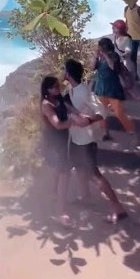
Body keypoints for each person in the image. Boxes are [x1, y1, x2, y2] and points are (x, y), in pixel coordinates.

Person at [64, 59, 127, 224]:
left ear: (69, 74)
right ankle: (85, 198)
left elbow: (103, 112)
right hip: (76, 139)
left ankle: (118, 208)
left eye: (65, 70)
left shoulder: (84, 92)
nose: (63, 73)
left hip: (86, 142)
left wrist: (89, 121)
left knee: (95, 175)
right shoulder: (70, 90)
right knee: (79, 170)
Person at [40, 75, 90, 227]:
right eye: (54, 87)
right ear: (47, 90)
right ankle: (62, 212)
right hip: (54, 142)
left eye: (58, 85)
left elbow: (73, 110)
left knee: (59, 168)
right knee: (65, 173)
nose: (57, 88)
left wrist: (86, 117)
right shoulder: (46, 104)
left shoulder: (60, 99)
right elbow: (57, 125)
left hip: (62, 140)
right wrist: (74, 122)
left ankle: (53, 193)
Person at [92, 37, 135, 138]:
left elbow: (112, 67)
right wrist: (95, 57)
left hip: (112, 89)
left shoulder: (114, 55)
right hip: (100, 88)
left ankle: (132, 130)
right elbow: (92, 68)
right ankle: (106, 133)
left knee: (119, 113)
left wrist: (105, 55)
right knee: (101, 114)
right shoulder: (99, 57)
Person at [124, 0, 140, 76]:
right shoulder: (126, 9)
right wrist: (125, 32)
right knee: (132, 57)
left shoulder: (139, 9)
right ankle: (135, 76)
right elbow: (126, 21)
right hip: (131, 37)